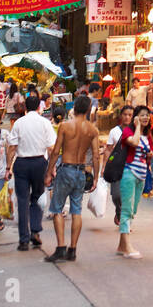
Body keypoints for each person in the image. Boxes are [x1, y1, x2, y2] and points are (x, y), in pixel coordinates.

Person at [43, 95, 101, 263]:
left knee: (57, 208)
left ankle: (61, 247)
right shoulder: (92, 130)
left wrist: (48, 172)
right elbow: (96, 156)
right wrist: (96, 177)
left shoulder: (65, 126)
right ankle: (73, 249)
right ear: (89, 109)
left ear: (74, 107)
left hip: (66, 169)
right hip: (81, 172)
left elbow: (56, 151)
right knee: (76, 211)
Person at [6, 92, 57, 253]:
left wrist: (8, 167)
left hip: (21, 163)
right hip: (39, 163)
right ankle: (35, 230)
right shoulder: (45, 123)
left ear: (26, 107)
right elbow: (51, 148)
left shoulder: (19, 123)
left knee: (22, 201)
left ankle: (23, 239)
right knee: (36, 197)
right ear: (39, 107)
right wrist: (52, 168)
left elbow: (12, 147)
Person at [114, 105, 153, 258]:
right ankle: (127, 247)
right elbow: (135, 143)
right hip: (129, 174)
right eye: (142, 115)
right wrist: (137, 126)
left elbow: (144, 154)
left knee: (133, 211)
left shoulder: (147, 135)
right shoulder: (128, 132)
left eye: (147, 116)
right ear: (136, 117)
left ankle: (121, 246)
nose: (146, 118)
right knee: (127, 210)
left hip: (141, 176)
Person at [103, 103, 134, 226]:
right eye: (125, 114)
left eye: (130, 115)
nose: (127, 117)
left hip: (131, 168)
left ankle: (126, 221)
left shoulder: (136, 131)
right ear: (121, 116)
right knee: (116, 196)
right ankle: (119, 211)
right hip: (116, 168)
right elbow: (108, 149)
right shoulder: (114, 131)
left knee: (128, 196)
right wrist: (104, 166)